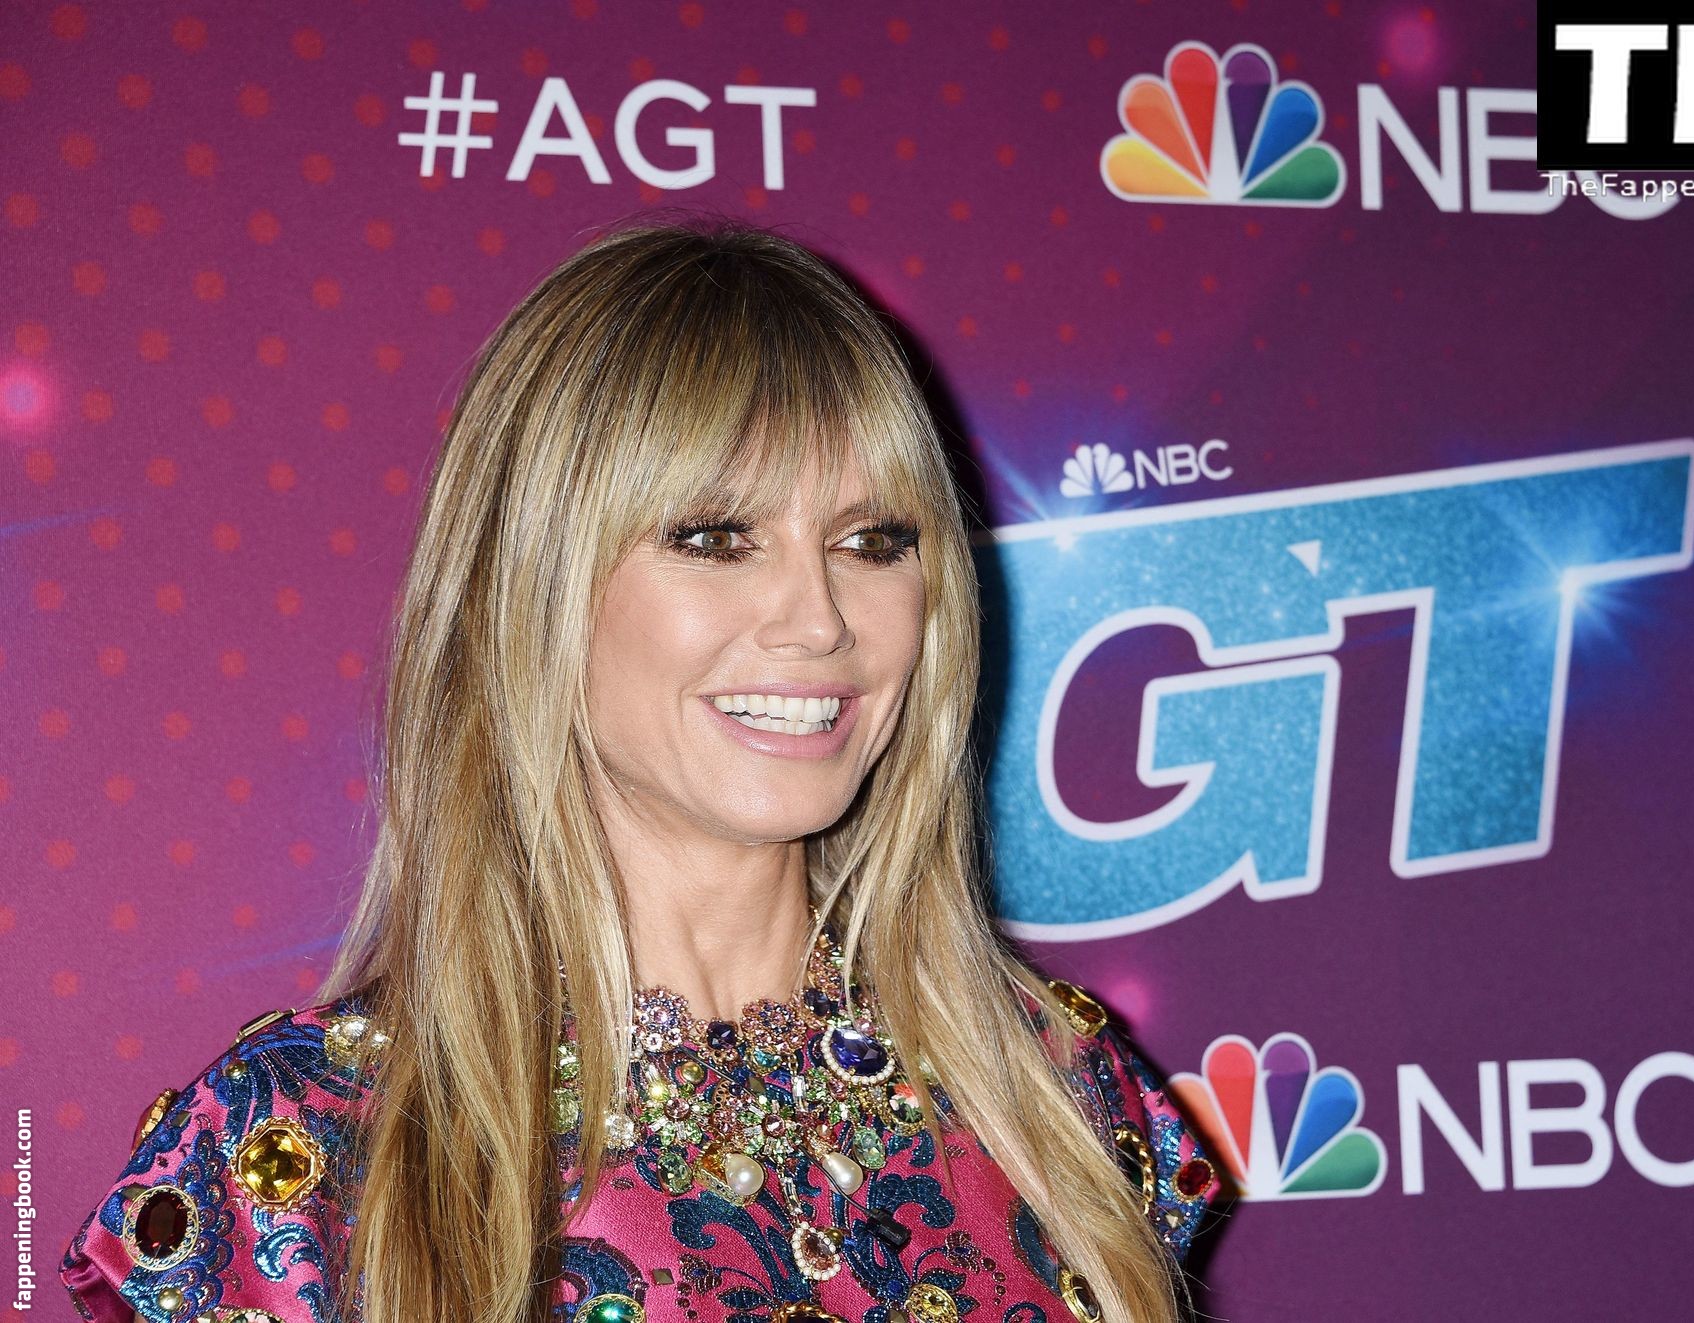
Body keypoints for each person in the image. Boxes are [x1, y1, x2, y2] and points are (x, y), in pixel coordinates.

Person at [59, 219, 1222, 1323]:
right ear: (533, 586)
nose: (820, 619)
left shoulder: (1058, 1091)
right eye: (715, 539)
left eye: (874, 542)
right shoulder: (301, 1157)